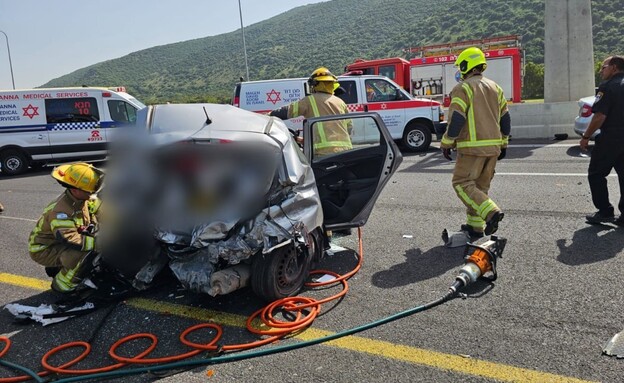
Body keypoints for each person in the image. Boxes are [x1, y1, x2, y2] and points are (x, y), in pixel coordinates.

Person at [440, 47, 511, 238]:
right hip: (493, 148)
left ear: (465, 65)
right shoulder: (496, 88)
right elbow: (506, 119)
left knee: (462, 184)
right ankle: (475, 228)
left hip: (472, 148)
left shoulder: (463, 88)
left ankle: (491, 213)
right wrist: (503, 143)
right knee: (479, 189)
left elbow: (456, 119)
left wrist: (446, 143)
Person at [28, 162, 104, 293]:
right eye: (89, 190)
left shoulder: (81, 199)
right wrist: (101, 244)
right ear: (75, 189)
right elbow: (70, 238)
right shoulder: (60, 212)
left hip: (57, 243)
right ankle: (63, 286)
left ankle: (61, 267)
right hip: (44, 249)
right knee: (84, 253)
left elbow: (98, 207)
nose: (92, 193)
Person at [580, 55, 624, 226]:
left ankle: (605, 211)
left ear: (614, 67)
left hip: (611, 137)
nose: (601, 71)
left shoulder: (608, 86)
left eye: (604, 67)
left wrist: (585, 137)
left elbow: (599, 116)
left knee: (596, 174)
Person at [270, 67, 352, 156]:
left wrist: (265, 116)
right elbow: (349, 127)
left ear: (315, 85)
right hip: (345, 152)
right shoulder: (340, 102)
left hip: (322, 154)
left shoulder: (309, 100)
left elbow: (287, 111)